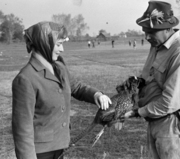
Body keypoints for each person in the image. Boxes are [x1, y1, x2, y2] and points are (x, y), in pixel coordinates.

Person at [11, 21, 112, 159]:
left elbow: (75, 87)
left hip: (61, 146)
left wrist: (97, 95)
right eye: (58, 44)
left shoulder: (59, 67)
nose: (62, 49)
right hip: (39, 153)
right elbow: (22, 130)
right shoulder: (25, 79)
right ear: (44, 44)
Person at [122, 1, 180, 159]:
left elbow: (171, 102)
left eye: (151, 31)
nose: (146, 37)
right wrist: (135, 84)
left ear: (168, 28)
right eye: (145, 31)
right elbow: (149, 79)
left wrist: (137, 112)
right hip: (155, 121)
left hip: (172, 126)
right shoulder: (157, 46)